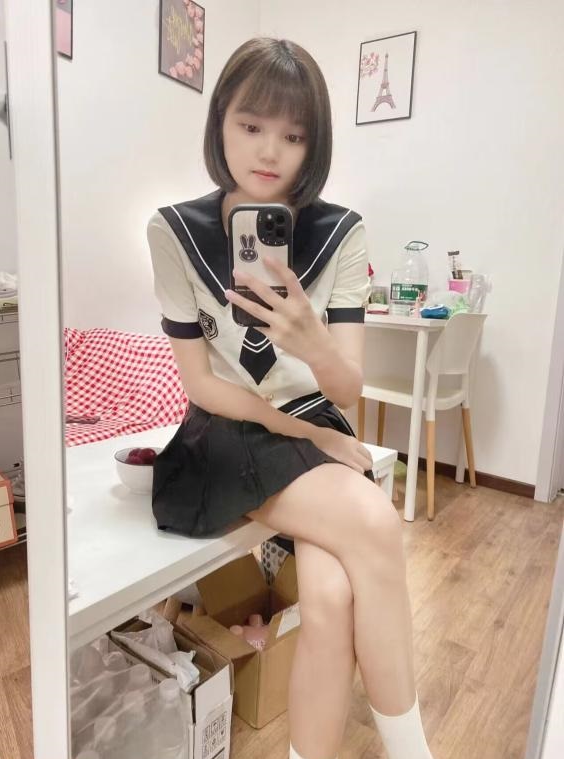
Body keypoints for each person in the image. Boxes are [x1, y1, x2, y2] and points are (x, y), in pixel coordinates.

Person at [147, 37, 434, 759]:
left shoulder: (342, 232)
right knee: (375, 523)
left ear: (315, 145)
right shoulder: (174, 231)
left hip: (314, 422)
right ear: (220, 122)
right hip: (227, 429)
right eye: (251, 125)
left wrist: (312, 341)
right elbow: (200, 384)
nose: (270, 150)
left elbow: (346, 387)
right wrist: (307, 432)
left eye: (294, 135)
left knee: (331, 599)